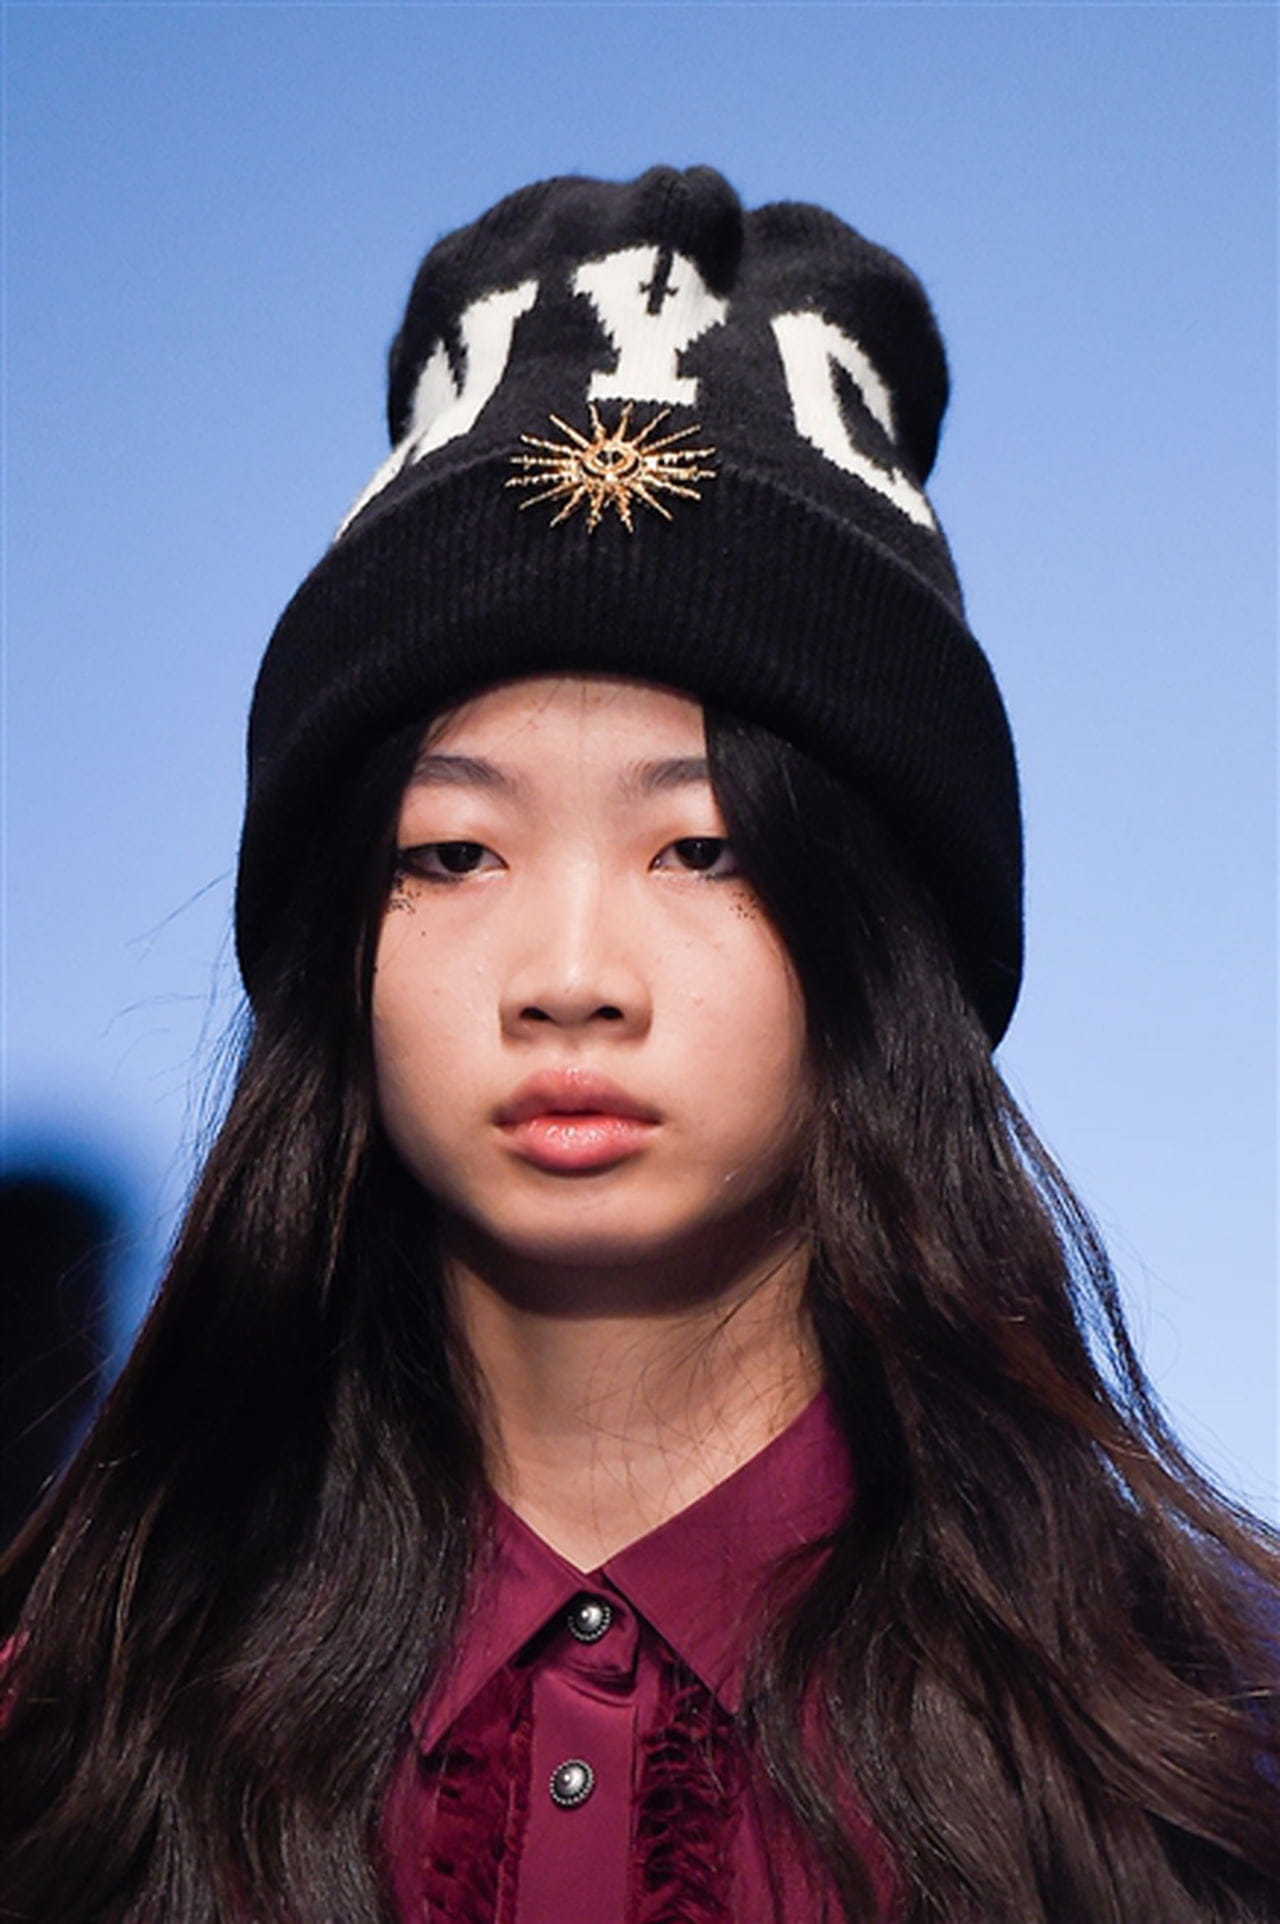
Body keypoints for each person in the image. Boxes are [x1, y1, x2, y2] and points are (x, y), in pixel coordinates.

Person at [2, 165, 1277, 1924]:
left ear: (882, 940)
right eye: (453, 853)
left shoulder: (1209, 1754)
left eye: (704, 850)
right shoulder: (70, 1747)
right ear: (333, 943)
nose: (572, 975)